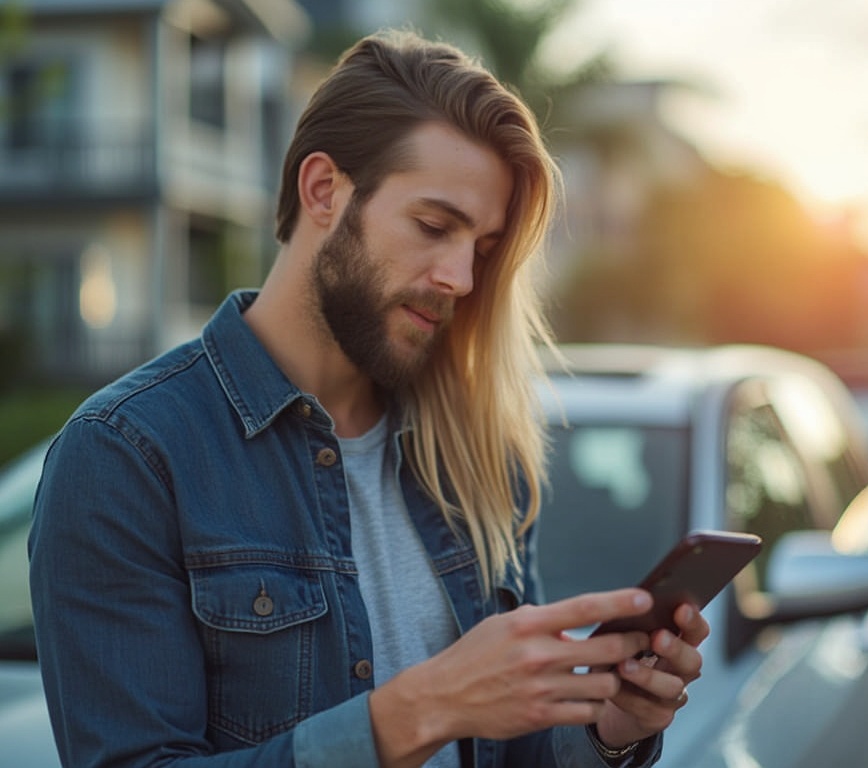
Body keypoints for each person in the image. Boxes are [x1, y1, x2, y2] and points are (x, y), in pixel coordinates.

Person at [28, 29, 708, 768]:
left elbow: (520, 755)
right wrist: (418, 712)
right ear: (323, 190)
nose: (462, 279)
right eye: (433, 226)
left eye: (480, 248)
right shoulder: (128, 456)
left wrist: (610, 729)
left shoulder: (479, 456)